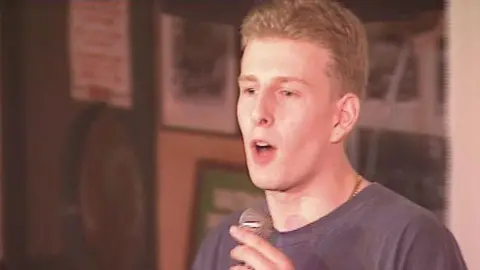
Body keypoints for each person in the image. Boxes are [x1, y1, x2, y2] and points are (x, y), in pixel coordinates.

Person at [192, 0, 467, 269]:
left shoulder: (412, 242)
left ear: (342, 117)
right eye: (251, 90)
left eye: (287, 92)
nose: (259, 113)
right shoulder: (227, 242)